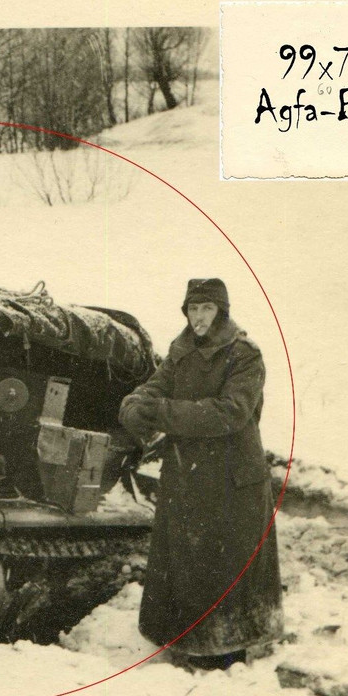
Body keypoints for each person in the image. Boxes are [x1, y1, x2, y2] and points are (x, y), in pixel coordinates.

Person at [119, 278, 283, 670]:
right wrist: (133, 404)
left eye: (206, 309)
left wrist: (159, 412)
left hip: (232, 479)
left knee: (226, 566)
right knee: (184, 562)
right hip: (187, 473)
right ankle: (182, 640)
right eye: (193, 309)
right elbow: (152, 388)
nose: (199, 317)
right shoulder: (180, 351)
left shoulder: (244, 355)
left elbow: (228, 412)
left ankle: (229, 649)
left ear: (221, 311)